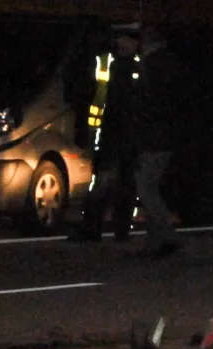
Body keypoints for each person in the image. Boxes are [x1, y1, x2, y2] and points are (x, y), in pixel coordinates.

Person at [73, 27, 140, 241]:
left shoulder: (141, 66)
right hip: (107, 133)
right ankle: (92, 228)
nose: (123, 43)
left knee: (126, 185)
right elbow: (88, 95)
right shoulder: (103, 62)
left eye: (128, 39)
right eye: (120, 38)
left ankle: (120, 229)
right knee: (103, 181)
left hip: (129, 136)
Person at [131, 25, 187, 258]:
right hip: (165, 136)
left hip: (155, 137)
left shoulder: (154, 65)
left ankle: (167, 237)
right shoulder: (168, 63)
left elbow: (148, 103)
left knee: (145, 189)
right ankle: (156, 243)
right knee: (151, 189)